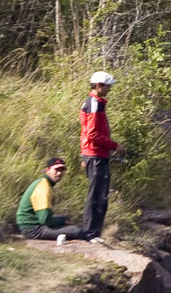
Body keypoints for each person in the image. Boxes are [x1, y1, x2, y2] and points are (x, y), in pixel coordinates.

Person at [79, 71, 125, 239]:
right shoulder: (94, 104)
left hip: (96, 154)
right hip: (95, 155)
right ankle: (90, 233)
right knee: (96, 195)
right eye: (108, 86)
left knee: (101, 195)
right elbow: (92, 135)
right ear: (99, 86)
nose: (110, 89)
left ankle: (94, 233)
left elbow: (88, 133)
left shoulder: (96, 103)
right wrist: (115, 146)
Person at [17, 157, 72, 240]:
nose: (59, 173)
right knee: (76, 230)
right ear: (47, 170)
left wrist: (63, 220)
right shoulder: (44, 188)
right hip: (32, 229)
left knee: (65, 218)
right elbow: (45, 220)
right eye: (56, 170)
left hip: (31, 225)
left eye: (61, 170)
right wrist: (63, 222)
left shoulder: (44, 183)